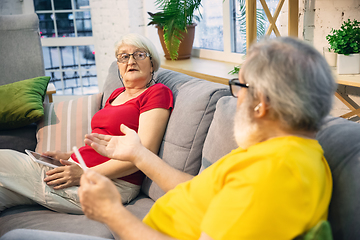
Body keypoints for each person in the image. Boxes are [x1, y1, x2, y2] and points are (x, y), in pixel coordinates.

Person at [0, 36, 336, 240]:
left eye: (240, 87)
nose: (236, 99)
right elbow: (196, 189)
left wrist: (113, 213)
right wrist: (137, 153)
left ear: (261, 103)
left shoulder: (274, 175)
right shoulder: (278, 153)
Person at [0, 33, 173, 214]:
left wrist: (85, 174)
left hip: (110, 182)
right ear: (119, 67)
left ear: (152, 63)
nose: (131, 61)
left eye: (139, 54)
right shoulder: (116, 94)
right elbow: (101, 142)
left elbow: (143, 155)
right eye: (124, 57)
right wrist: (67, 156)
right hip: (78, 170)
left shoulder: (156, 92)